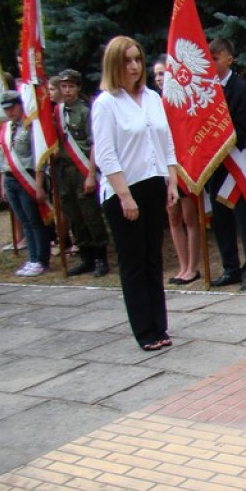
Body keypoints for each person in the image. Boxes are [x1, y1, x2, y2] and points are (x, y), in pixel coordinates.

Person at [92, 36, 179, 350]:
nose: (134, 66)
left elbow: (165, 141)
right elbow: (106, 154)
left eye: (137, 60)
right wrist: (124, 195)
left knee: (153, 258)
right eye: (127, 61)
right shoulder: (106, 103)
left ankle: (160, 326)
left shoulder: (153, 98)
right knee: (134, 262)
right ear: (115, 64)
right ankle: (144, 331)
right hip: (124, 189)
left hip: (154, 183)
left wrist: (171, 181)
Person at [206, 38, 246, 291]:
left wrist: (217, 140)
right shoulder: (205, 90)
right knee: (221, 220)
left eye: (215, 58)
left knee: (244, 220)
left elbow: (243, 127)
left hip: (236, 163)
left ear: (229, 59)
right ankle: (230, 267)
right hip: (214, 166)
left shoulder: (242, 88)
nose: (211, 63)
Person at [56, 68, 110, 277]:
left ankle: (100, 258)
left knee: (90, 213)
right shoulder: (57, 113)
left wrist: (90, 174)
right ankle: (85, 256)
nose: (67, 90)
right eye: (63, 86)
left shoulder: (86, 111)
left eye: (71, 86)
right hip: (65, 170)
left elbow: (94, 142)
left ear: (78, 87)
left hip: (82, 168)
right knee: (73, 214)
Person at [152, 54, 200, 286]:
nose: (160, 78)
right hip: (161, 166)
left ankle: (193, 267)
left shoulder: (181, 101)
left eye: (163, 73)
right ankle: (182, 266)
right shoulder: (152, 103)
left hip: (183, 164)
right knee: (173, 216)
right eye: (156, 75)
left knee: (190, 217)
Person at [0, 90, 51, 276]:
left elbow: (39, 157)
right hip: (11, 178)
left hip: (27, 178)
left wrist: (39, 183)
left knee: (35, 220)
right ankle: (33, 257)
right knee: (25, 221)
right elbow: (3, 158)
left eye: (12, 108)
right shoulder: (6, 129)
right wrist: (3, 182)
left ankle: (41, 259)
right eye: (6, 109)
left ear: (20, 105)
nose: (9, 112)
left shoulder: (30, 127)